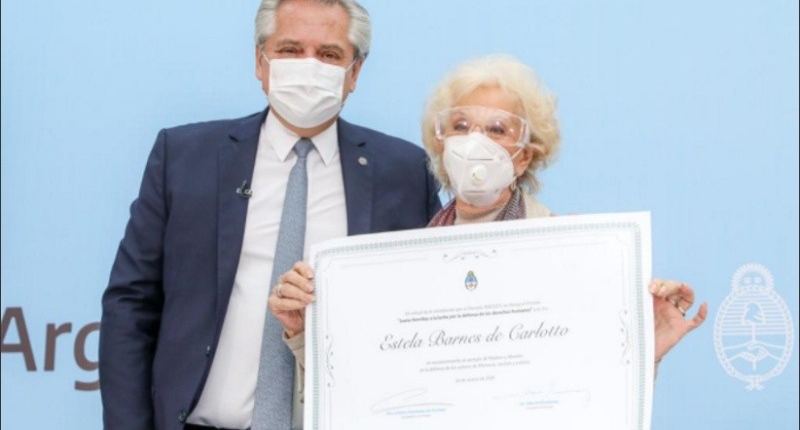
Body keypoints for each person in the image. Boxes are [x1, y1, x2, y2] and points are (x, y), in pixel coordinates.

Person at [98, 0, 441, 430]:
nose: (309, 66)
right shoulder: (185, 157)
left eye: (330, 55)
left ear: (354, 73)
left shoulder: (404, 171)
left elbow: (422, 311)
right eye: (291, 49)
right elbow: (131, 304)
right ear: (261, 63)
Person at [273, 54, 707, 376]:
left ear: (523, 157)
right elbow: (363, 385)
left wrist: (645, 348)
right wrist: (301, 332)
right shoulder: (402, 256)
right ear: (440, 144)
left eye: (497, 129)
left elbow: (592, 385)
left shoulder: (570, 248)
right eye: (460, 126)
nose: (474, 141)